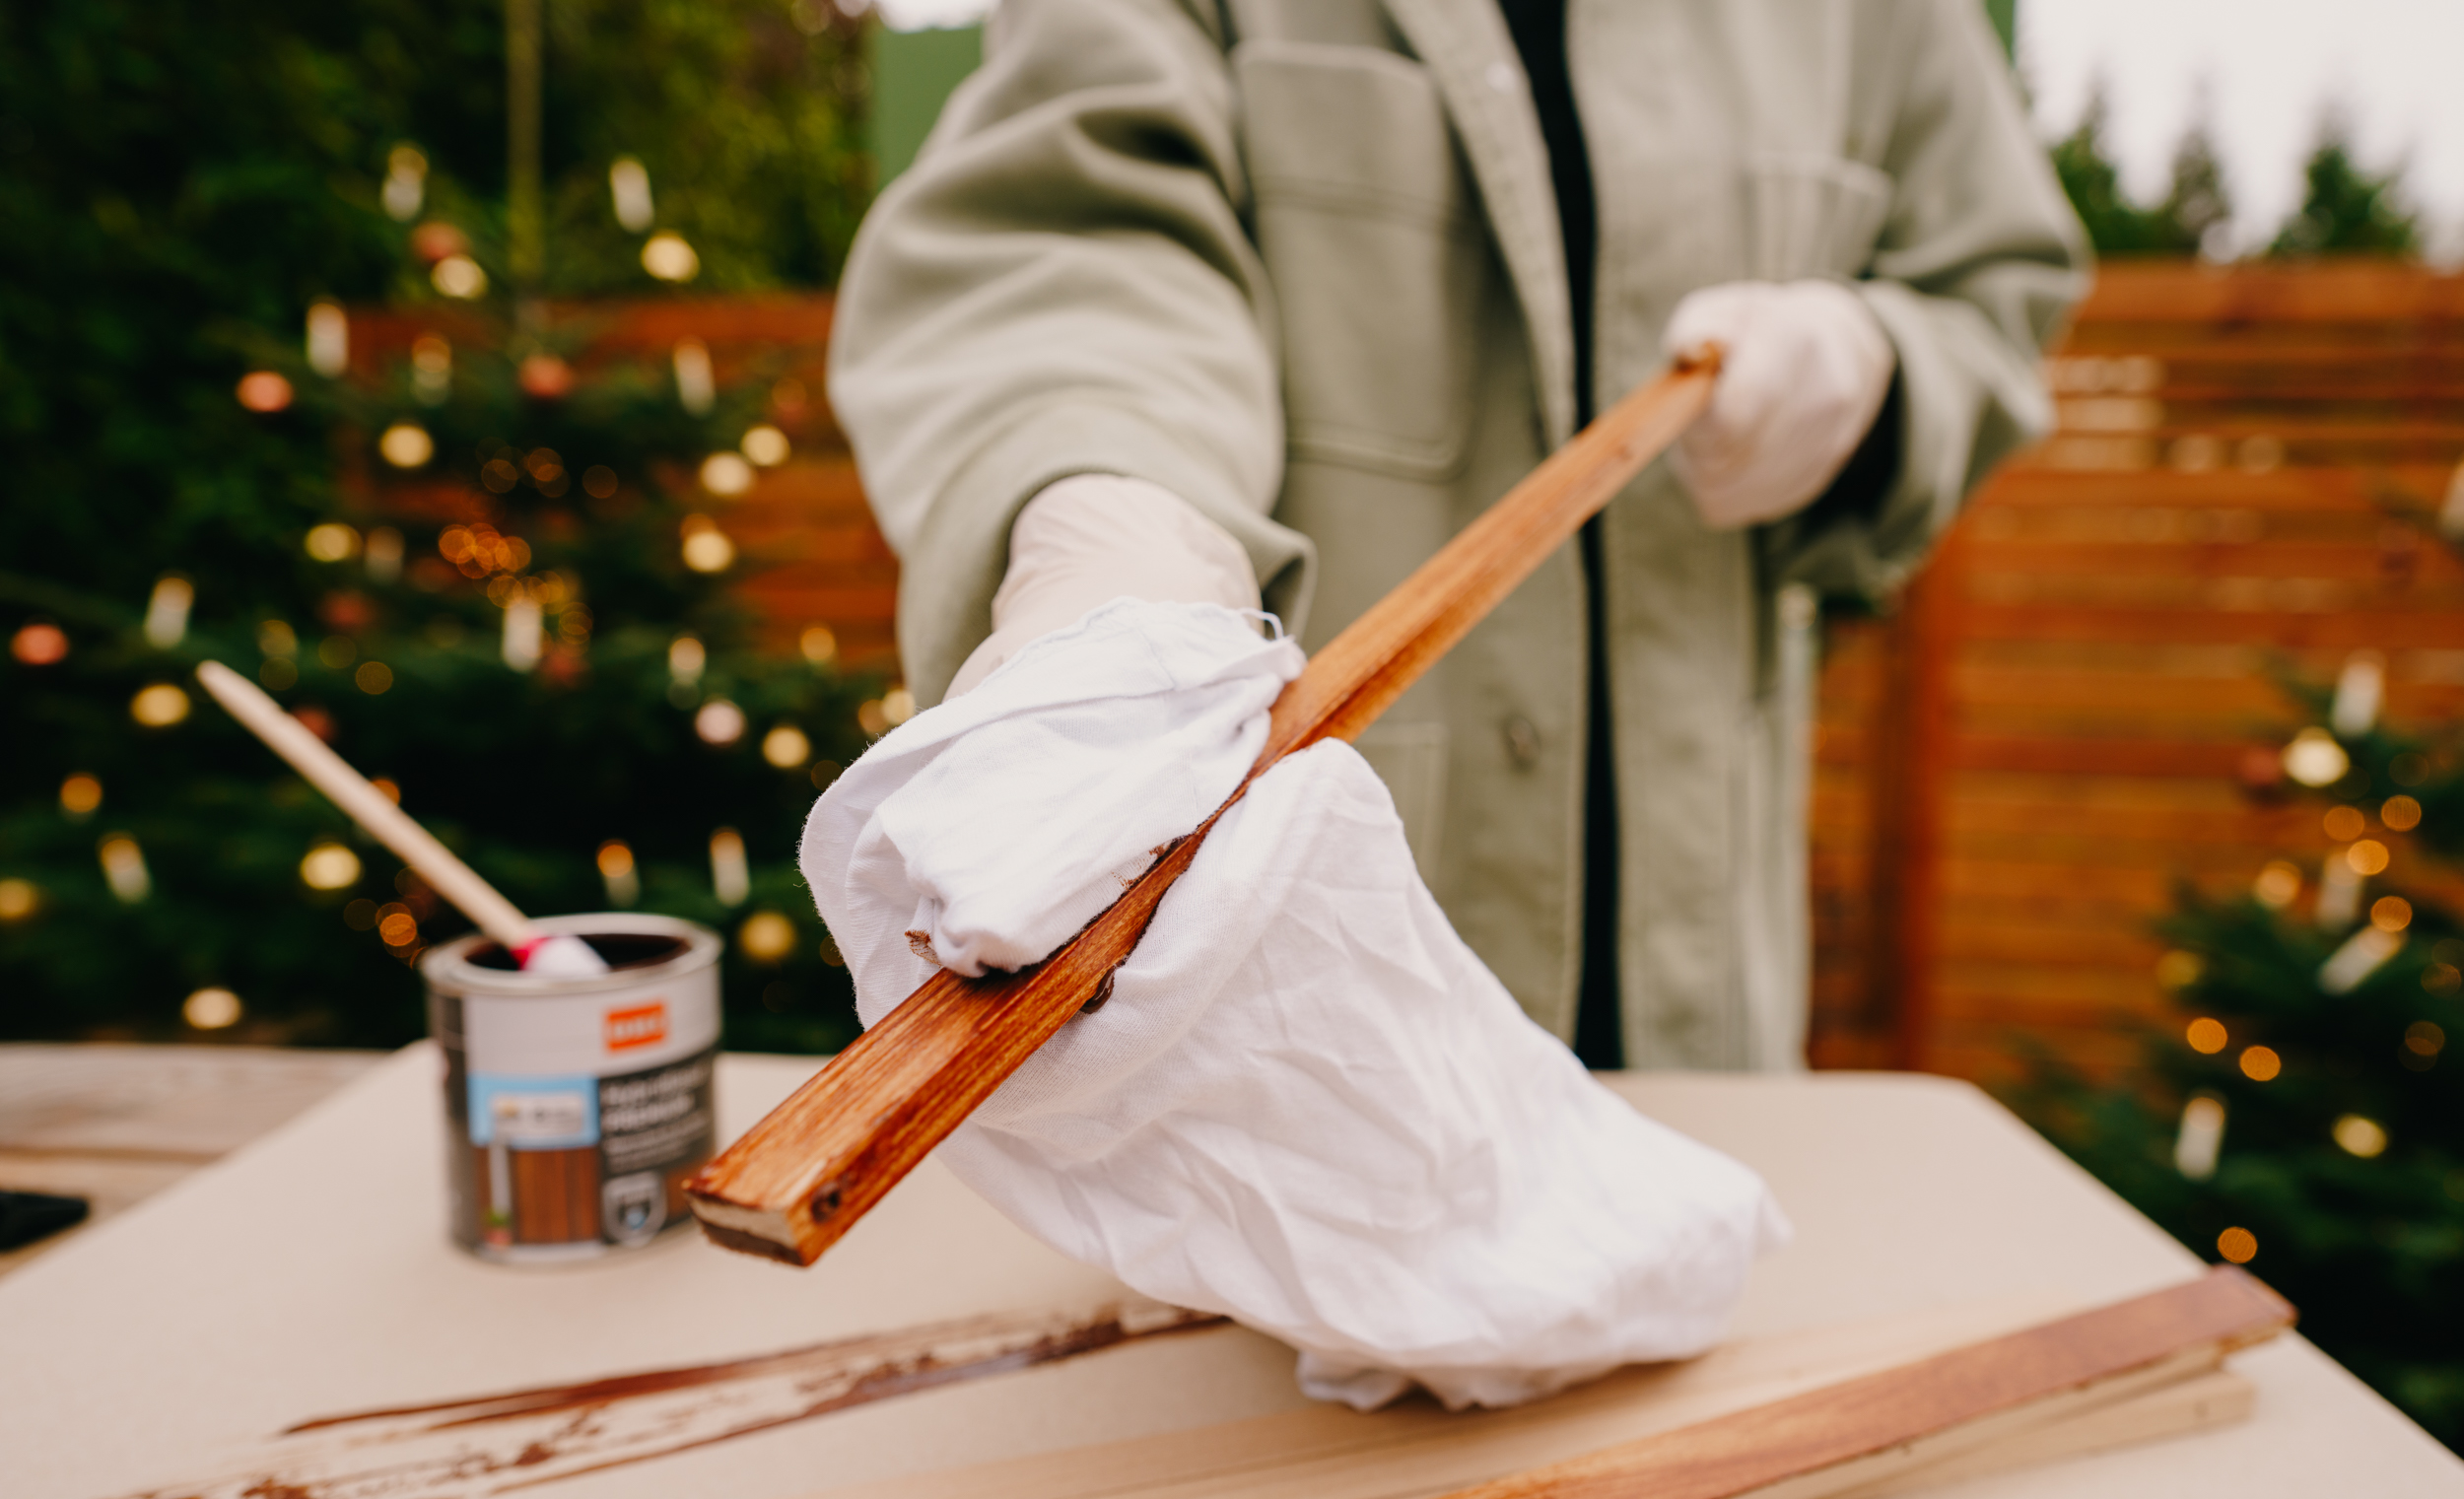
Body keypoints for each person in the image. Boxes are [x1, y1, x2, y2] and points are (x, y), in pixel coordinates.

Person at [827, 0, 2088, 1072]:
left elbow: (1988, 286)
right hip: (1292, 1034)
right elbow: (1071, 226)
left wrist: (1880, 373)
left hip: (1710, 1016)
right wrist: (1106, 514)